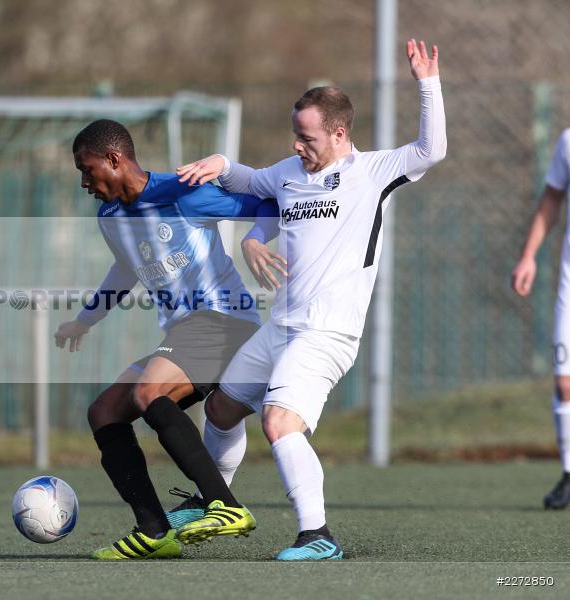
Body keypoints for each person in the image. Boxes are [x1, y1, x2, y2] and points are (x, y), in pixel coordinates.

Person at [175, 39, 446, 560]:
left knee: (279, 421)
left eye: (307, 136)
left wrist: (427, 84)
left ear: (339, 133)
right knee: (222, 409)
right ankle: (212, 501)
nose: (298, 145)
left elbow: (431, 150)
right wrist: (223, 167)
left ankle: (317, 535)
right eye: (294, 135)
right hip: (283, 325)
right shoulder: (289, 173)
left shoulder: (373, 172)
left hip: (328, 332)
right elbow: (255, 182)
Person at [54, 119, 286, 559]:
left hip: (224, 322)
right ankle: (154, 529)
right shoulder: (109, 216)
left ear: (114, 159)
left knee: (148, 391)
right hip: (186, 333)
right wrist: (85, 321)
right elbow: (125, 269)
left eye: (87, 169)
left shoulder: (183, 192)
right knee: (104, 412)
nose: (84, 182)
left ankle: (225, 506)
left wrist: (254, 241)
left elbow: (268, 205)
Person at [511, 130, 570, 510]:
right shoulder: (567, 141)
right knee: (565, 383)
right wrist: (529, 255)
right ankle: (569, 473)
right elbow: (552, 198)